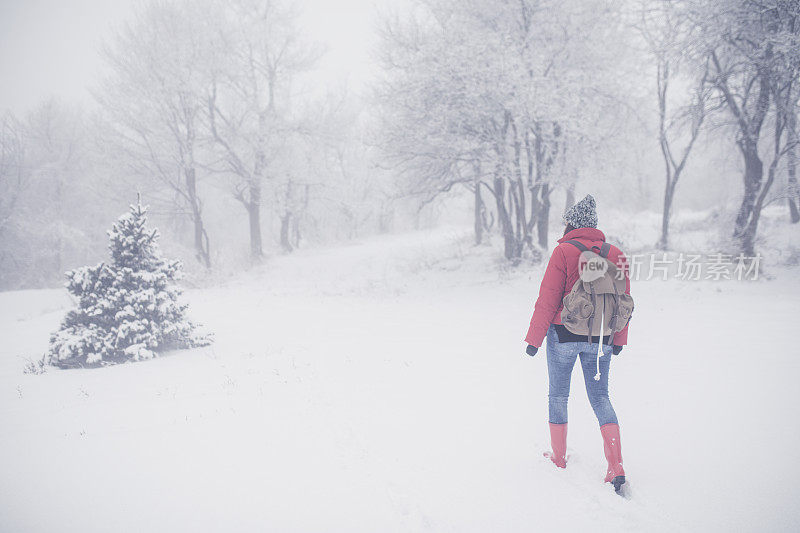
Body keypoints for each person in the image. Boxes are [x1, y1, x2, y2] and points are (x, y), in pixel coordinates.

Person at [523, 194, 631, 492]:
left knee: (558, 396)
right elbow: (623, 301)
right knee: (600, 397)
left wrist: (534, 339)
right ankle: (616, 465)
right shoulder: (616, 254)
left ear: (571, 223)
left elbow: (548, 299)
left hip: (563, 335)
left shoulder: (564, 252)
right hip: (601, 338)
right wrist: (618, 339)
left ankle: (558, 458)